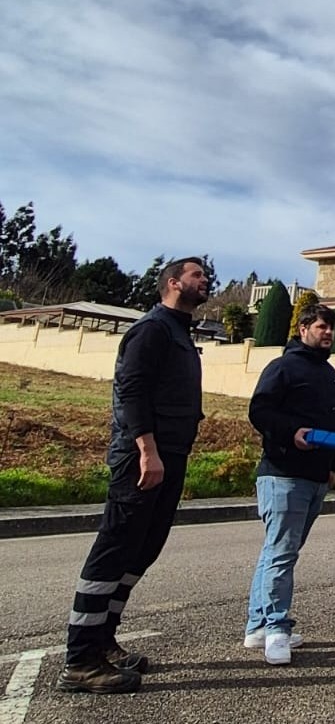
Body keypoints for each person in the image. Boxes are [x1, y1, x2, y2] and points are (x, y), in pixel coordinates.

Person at [56, 257, 209, 694]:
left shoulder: (179, 332)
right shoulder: (152, 329)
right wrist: (147, 450)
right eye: (197, 274)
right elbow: (131, 392)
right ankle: (81, 660)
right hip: (143, 457)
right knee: (114, 549)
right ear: (173, 282)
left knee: (141, 551)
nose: (205, 280)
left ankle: (104, 642)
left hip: (170, 456)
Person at [243, 304, 335, 666]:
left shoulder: (332, 375)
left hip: (316, 476)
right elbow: (259, 411)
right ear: (303, 329)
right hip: (282, 472)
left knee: (279, 552)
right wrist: (291, 433)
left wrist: (331, 464)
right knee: (281, 553)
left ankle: (257, 626)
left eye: (331, 327)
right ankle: (276, 629)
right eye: (321, 326)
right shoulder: (282, 366)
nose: (328, 332)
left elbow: (330, 422)